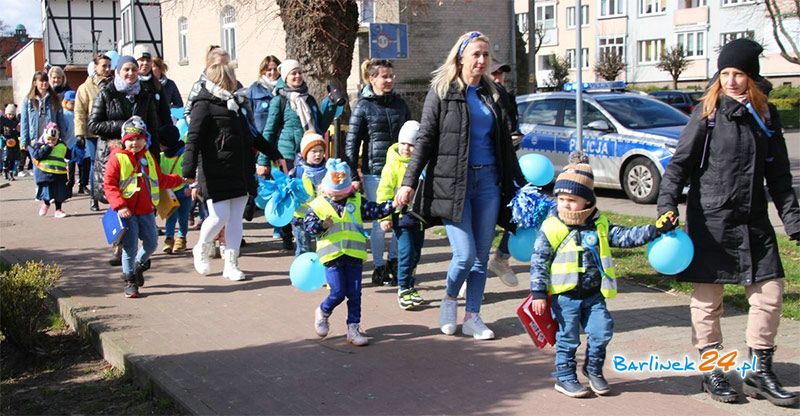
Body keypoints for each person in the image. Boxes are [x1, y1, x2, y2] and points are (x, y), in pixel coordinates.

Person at [657, 38, 800, 407]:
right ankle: (713, 370)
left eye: (738, 73)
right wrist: (666, 206)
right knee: (708, 300)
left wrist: (794, 220)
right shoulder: (708, 113)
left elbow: (780, 175)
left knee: (769, 293)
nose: (732, 81)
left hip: (753, 220)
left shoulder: (766, 116)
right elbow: (679, 166)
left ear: (752, 77)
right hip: (712, 219)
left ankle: (759, 372)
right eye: (725, 73)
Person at [394, 31, 524, 340]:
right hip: (454, 183)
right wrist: (408, 182)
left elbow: (505, 144)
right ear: (461, 57)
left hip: (489, 182)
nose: (482, 60)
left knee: (481, 256)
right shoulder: (441, 91)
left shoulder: (494, 95)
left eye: (486, 55)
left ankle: (473, 317)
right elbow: (425, 139)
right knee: (464, 255)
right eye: (476, 54)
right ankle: (450, 299)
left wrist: (522, 184)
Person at [530, 153, 659, 398]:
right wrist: (537, 292)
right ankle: (565, 376)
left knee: (602, 332)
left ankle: (593, 369)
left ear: (587, 201)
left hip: (594, 294)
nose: (565, 204)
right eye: (561, 198)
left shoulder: (600, 223)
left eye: (572, 199)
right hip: (564, 296)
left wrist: (654, 230)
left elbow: (625, 236)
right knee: (567, 338)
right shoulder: (553, 226)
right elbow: (539, 261)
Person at [183, 58, 284, 281]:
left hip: (239, 169)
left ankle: (232, 262)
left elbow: (253, 135)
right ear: (221, 79)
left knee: (235, 218)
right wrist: (188, 170)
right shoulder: (203, 104)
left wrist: (275, 154)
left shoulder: (236, 104)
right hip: (214, 169)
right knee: (219, 216)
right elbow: (193, 138)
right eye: (230, 78)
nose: (235, 82)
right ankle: (201, 247)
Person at [306, 159, 398, 347]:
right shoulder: (317, 205)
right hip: (332, 257)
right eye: (334, 193)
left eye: (342, 193)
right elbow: (307, 226)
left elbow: (375, 210)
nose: (338, 197)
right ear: (324, 188)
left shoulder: (356, 201)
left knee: (355, 293)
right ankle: (323, 311)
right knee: (338, 291)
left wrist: (393, 204)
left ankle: (353, 328)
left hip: (354, 255)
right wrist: (321, 225)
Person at [259, 58, 341, 251]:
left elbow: (320, 125)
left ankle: (310, 232)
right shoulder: (279, 100)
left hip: (310, 153)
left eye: (299, 73)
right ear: (285, 77)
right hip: (287, 154)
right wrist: (263, 160)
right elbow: (269, 131)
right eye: (292, 73)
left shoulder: (308, 98)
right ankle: (288, 233)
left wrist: (329, 104)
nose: (297, 76)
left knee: (311, 195)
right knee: (289, 195)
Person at [345, 59, 411, 286]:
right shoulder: (363, 106)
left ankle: (394, 261)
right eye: (384, 76)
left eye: (391, 75)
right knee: (379, 220)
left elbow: (412, 134)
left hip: (401, 170)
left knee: (400, 218)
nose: (389, 80)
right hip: (375, 172)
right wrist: (354, 175)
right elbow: (351, 144)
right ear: (371, 79)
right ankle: (379, 266)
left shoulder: (400, 104)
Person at [104, 116, 184, 298]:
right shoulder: (117, 158)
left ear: (145, 139)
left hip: (147, 210)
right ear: (124, 140)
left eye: (138, 138)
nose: (135, 143)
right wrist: (120, 205)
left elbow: (160, 179)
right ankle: (129, 280)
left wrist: (181, 180)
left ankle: (138, 266)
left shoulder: (148, 156)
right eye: (130, 139)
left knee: (151, 244)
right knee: (129, 248)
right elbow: (109, 185)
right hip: (127, 213)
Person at [377, 120, 426, 308]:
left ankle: (411, 286)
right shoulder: (392, 165)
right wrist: (384, 216)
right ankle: (402, 288)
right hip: (401, 216)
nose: (406, 148)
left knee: (416, 253)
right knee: (405, 252)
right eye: (403, 143)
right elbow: (384, 191)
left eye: (412, 144)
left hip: (420, 218)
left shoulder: (422, 164)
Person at [76, 53, 114, 211]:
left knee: (112, 165)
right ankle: (94, 197)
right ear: (96, 67)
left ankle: (112, 196)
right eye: (103, 66)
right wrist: (79, 133)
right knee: (95, 164)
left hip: (111, 131)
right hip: (93, 133)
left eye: (109, 66)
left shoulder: (115, 84)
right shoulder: (86, 87)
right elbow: (80, 111)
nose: (106, 69)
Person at [289, 130, 328, 256]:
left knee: (323, 247)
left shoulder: (328, 170)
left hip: (321, 216)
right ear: (305, 153)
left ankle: (321, 272)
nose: (318, 154)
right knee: (303, 248)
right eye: (314, 151)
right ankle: (302, 272)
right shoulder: (297, 172)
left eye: (321, 151)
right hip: (301, 217)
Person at [20, 71, 65, 177]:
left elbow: (60, 119)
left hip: (51, 137)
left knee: (50, 167)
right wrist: (23, 141)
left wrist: (62, 137)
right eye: (41, 81)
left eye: (46, 81)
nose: (44, 83)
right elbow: (24, 121)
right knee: (37, 166)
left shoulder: (54, 98)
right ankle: (39, 189)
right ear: (35, 83)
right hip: (35, 139)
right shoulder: (28, 100)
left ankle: (49, 190)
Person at [159, 125, 191, 254]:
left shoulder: (185, 155)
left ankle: (181, 238)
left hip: (184, 190)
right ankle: (169, 238)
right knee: (170, 216)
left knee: (183, 216)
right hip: (169, 192)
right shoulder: (162, 156)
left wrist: (189, 186)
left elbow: (190, 172)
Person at [31, 123, 71, 218]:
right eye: (49, 139)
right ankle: (46, 203)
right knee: (47, 192)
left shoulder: (62, 145)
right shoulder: (40, 145)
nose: (51, 141)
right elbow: (37, 155)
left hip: (60, 174)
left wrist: (78, 148)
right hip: (46, 173)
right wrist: (48, 147)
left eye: (54, 139)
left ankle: (58, 210)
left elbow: (69, 155)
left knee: (59, 193)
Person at [134, 44, 172, 128]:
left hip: (156, 132)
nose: (145, 63)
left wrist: (169, 131)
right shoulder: (131, 84)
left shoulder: (156, 84)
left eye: (148, 60)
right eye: (141, 60)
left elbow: (164, 112)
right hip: (136, 132)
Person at [248, 55, 281, 134]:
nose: (273, 72)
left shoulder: (284, 89)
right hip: (261, 139)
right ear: (263, 71)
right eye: (269, 70)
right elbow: (248, 117)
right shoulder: (254, 89)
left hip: (280, 139)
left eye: (275, 69)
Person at [60, 90, 78, 196]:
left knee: (81, 166)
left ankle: (82, 185)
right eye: (71, 103)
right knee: (70, 169)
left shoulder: (77, 112)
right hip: (68, 145)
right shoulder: (64, 113)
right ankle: (69, 186)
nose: (74, 105)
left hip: (77, 144)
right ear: (65, 102)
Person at [1, 104, 20, 180]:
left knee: (13, 158)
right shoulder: (3, 122)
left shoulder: (16, 122)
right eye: (9, 114)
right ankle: (5, 171)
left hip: (14, 142)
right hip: (6, 142)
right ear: (6, 114)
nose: (11, 116)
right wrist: (4, 138)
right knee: (6, 158)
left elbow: (18, 132)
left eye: (12, 114)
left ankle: (11, 173)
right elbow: (1, 132)